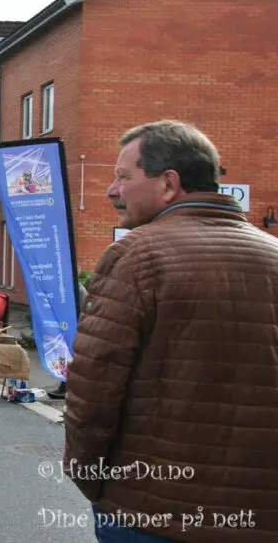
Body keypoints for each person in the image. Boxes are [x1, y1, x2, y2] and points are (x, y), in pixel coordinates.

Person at [64, 121, 278, 542]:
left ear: (168, 184)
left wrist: (92, 480)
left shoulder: (136, 255)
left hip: (149, 510)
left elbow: (94, 390)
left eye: (123, 177)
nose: (112, 190)